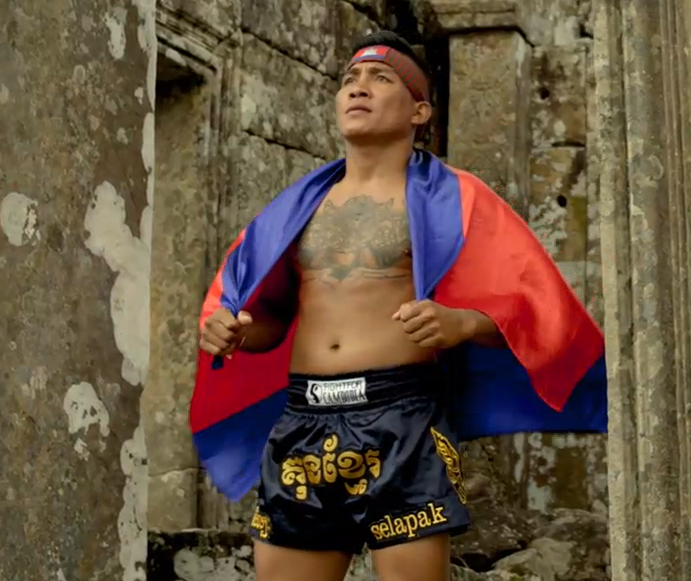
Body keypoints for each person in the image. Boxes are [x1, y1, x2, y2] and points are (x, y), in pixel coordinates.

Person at [190, 31, 606, 581]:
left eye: (380, 78)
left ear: (419, 111)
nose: (358, 88)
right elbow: (268, 320)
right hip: (304, 419)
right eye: (349, 80)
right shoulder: (295, 208)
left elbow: (535, 313)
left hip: (401, 417)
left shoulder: (457, 198)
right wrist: (235, 332)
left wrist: (461, 323)